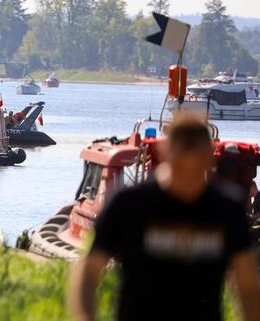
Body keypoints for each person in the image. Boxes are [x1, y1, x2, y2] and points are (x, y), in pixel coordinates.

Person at [69, 115, 260, 321]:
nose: (188, 177)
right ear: (166, 154)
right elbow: (88, 274)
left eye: (196, 170)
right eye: (181, 167)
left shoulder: (227, 211)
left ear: (209, 160)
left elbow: (247, 286)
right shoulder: (129, 205)